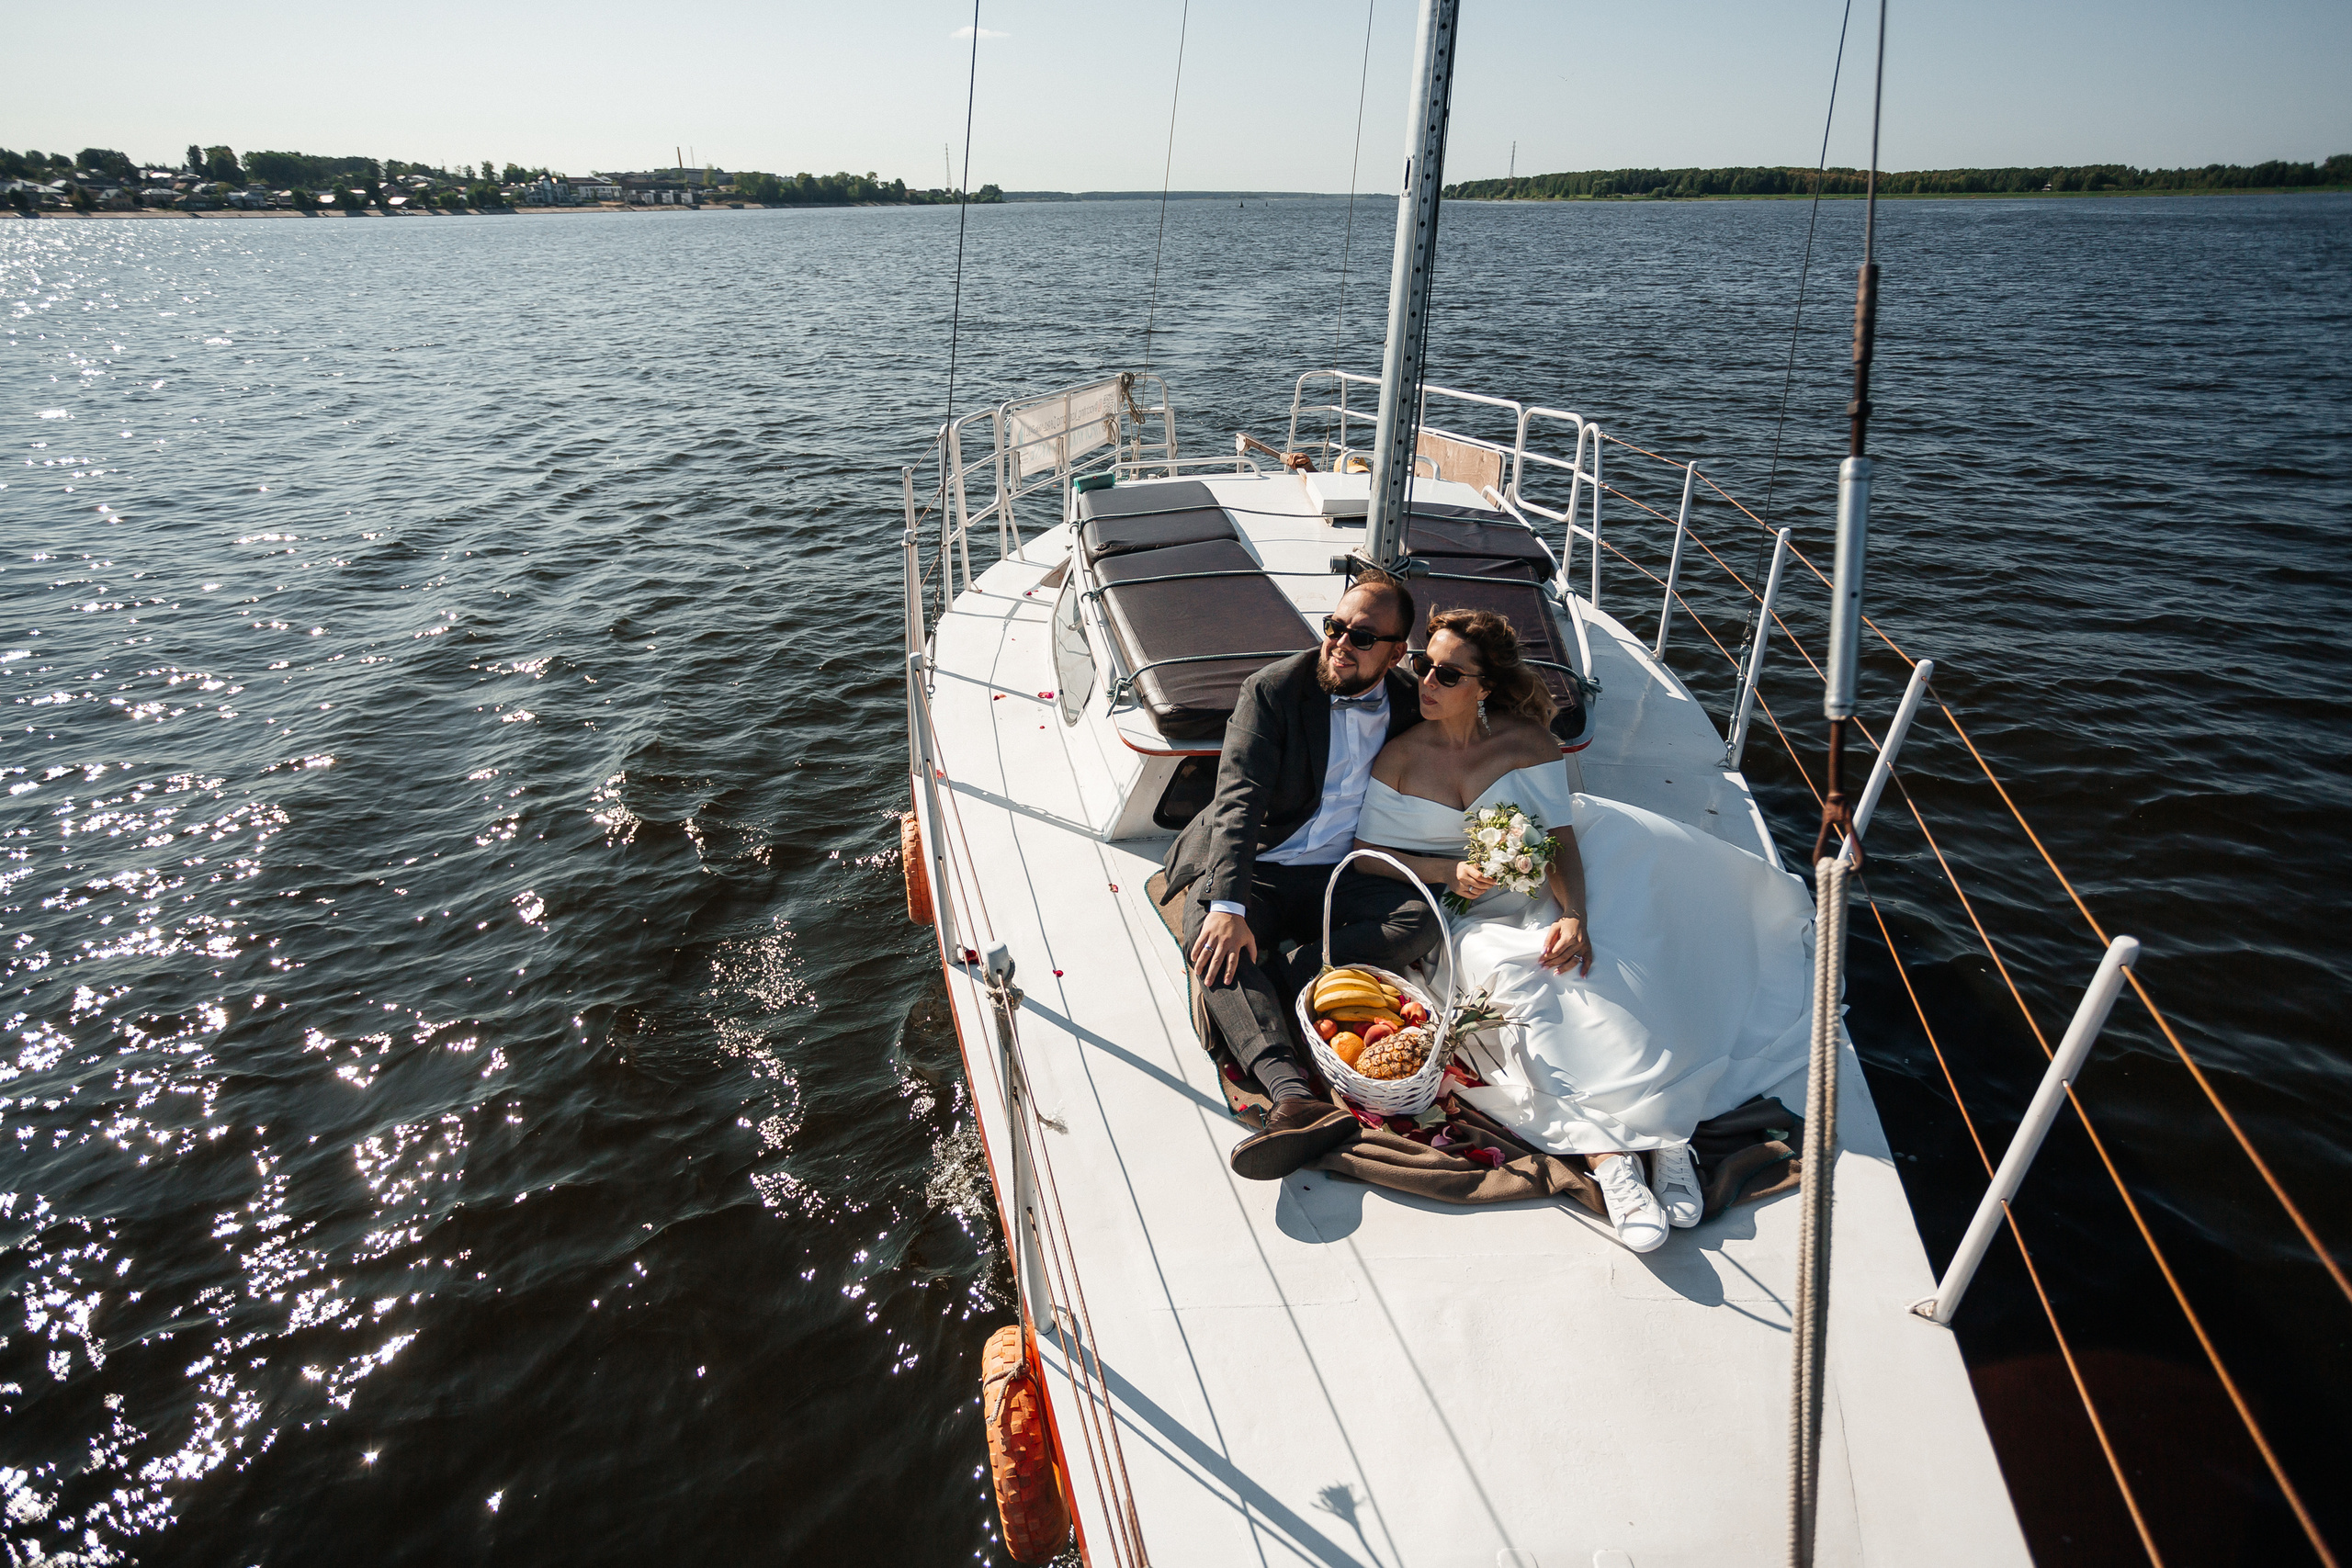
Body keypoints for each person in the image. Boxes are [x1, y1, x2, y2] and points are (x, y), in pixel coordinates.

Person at [1352, 608, 1816, 1251]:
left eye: (1448, 674)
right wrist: (1448, 869)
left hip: (1547, 886)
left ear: (1483, 686)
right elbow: (1369, 851)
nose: (1427, 681)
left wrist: (1576, 915)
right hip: (1466, 911)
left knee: (1613, 965)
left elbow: (1559, 837)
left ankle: (1668, 1133)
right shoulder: (1399, 758)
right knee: (1521, 981)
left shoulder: (1525, 742)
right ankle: (1613, 1159)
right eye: (1422, 666)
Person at [1159, 569, 1441, 1181]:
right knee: (1209, 937)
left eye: (1362, 637)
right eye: (1334, 627)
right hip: (1261, 861)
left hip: (1340, 871)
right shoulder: (1273, 691)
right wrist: (1229, 910)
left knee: (1423, 914)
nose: (1340, 643)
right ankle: (1292, 1094)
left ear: (1396, 652)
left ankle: (1297, 974)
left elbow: (1483, 731)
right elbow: (1238, 801)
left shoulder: (1413, 705)